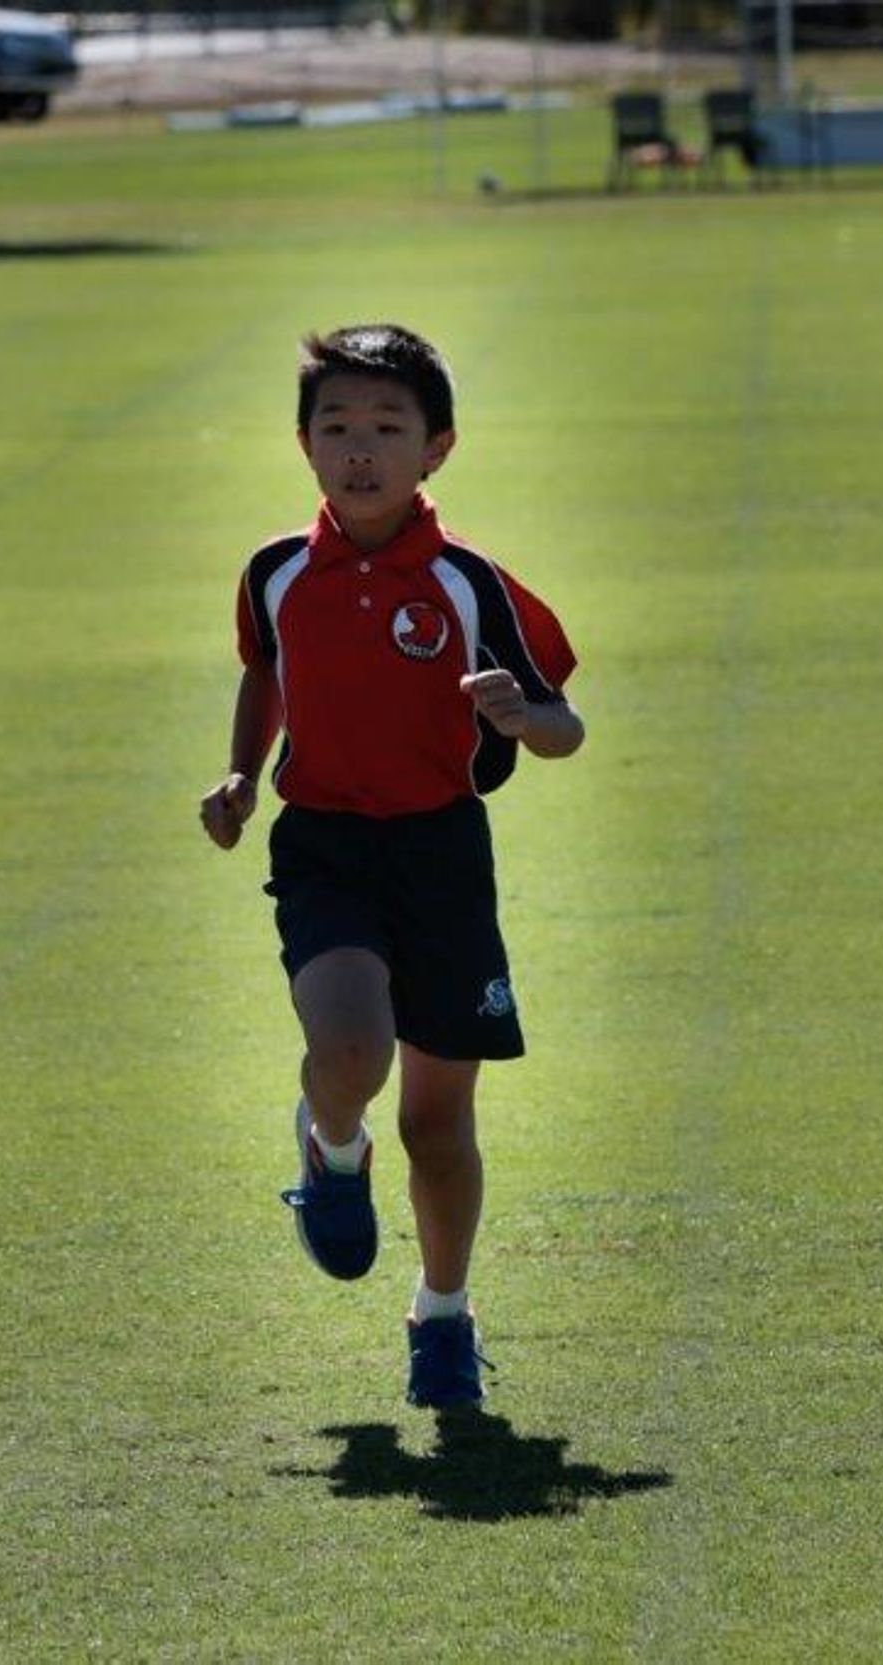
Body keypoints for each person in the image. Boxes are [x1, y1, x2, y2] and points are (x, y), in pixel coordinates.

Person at [199, 324, 586, 1409]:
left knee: (435, 1126)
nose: (359, 450)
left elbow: (565, 725)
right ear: (304, 445)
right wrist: (240, 775)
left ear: (436, 448)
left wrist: (525, 717)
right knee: (349, 1045)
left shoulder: (468, 584)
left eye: (386, 427)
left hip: (441, 855)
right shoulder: (275, 573)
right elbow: (265, 673)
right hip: (325, 844)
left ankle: (443, 1318)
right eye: (335, 427)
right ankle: (331, 1149)